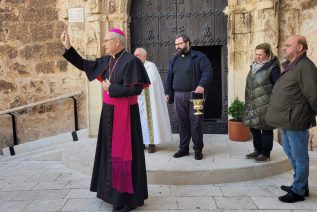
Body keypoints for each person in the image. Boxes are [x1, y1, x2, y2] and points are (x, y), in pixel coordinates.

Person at [60, 28, 150, 211]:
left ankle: (126, 199)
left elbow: (135, 90)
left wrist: (111, 88)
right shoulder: (108, 60)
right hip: (109, 115)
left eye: (106, 40)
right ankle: (112, 193)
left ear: (117, 42)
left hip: (126, 116)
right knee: (110, 154)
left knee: (125, 155)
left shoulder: (131, 61)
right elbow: (84, 65)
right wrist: (68, 47)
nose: (104, 44)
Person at [265, 35, 317, 203]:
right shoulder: (293, 65)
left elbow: (313, 94)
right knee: (289, 151)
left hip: (296, 119)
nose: (284, 48)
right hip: (287, 118)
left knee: (300, 156)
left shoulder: (305, 67)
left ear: (300, 47)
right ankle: (300, 184)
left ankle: (298, 190)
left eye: (288, 45)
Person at [164, 34, 212, 160]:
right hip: (178, 95)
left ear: (187, 43)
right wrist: (167, 93)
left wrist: (202, 85)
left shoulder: (199, 57)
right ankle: (183, 148)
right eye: (176, 44)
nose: (177, 47)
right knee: (182, 123)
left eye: (179, 44)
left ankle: (197, 149)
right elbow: (168, 77)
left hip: (195, 96)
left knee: (196, 123)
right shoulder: (174, 60)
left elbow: (208, 71)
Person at [243, 43, 281, 162]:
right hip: (253, 103)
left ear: (268, 55)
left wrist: (274, 104)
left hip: (266, 105)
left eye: (260, 55)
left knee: (266, 129)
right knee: (253, 127)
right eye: (256, 54)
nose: (257, 57)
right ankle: (258, 149)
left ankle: (265, 153)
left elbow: (277, 87)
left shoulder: (273, 68)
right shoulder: (254, 66)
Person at [134, 47, 172, 153]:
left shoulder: (151, 66)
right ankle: (141, 143)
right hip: (137, 99)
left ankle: (152, 143)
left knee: (151, 121)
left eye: (137, 55)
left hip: (149, 99)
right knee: (138, 121)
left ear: (144, 56)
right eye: (134, 55)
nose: (135, 57)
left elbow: (154, 82)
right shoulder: (132, 66)